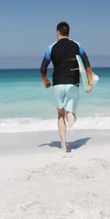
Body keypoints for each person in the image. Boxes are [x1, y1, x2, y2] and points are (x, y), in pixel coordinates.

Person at [40, 21, 94, 151]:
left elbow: (43, 68)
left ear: (57, 32)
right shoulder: (77, 45)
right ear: (68, 33)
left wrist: (45, 81)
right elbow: (87, 66)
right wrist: (90, 83)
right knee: (71, 113)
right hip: (72, 83)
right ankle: (71, 116)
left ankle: (63, 144)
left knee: (60, 114)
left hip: (58, 84)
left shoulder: (50, 48)